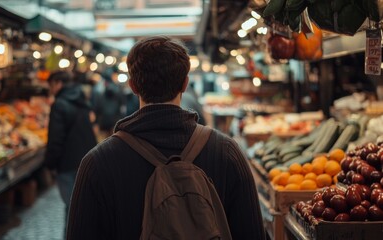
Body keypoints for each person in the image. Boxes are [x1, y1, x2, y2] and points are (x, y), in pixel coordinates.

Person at [67, 36, 265, 240]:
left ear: (133, 85)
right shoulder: (226, 151)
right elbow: (253, 233)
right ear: (185, 84)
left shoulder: (98, 162)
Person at [44, 71, 97, 218]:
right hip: (86, 159)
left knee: (71, 208)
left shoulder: (59, 104)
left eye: (51, 85)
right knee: (81, 206)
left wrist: (50, 164)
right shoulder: (81, 100)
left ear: (58, 83)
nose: (51, 90)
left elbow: (56, 138)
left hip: (67, 163)